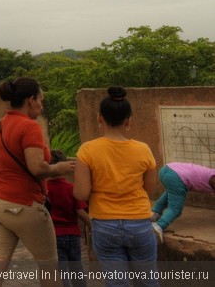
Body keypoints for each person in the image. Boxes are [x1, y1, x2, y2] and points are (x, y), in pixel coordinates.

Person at [0, 76, 75, 287]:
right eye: (41, 99)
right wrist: (58, 168)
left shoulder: (0, 125)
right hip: (21, 204)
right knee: (49, 266)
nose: (42, 105)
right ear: (31, 100)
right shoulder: (29, 127)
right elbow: (37, 167)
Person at [74, 86, 159, 287]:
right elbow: (149, 188)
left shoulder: (87, 150)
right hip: (139, 221)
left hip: (104, 223)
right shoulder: (143, 149)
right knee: (148, 281)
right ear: (128, 119)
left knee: (116, 283)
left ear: (99, 118)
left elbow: (80, 193)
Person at [47, 149, 91, 287]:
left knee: (62, 271)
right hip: (73, 234)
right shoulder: (71, 188)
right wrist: (92, 226)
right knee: (77, 268)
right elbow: (81, 212)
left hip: (54, 235)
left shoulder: (44, 190)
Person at [151, 162, 215, 241]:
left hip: (166, 169)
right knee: (175, 208)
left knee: (171, 193)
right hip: (176, 176)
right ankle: (158, 226)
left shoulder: (211, 172)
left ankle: (154, 214)